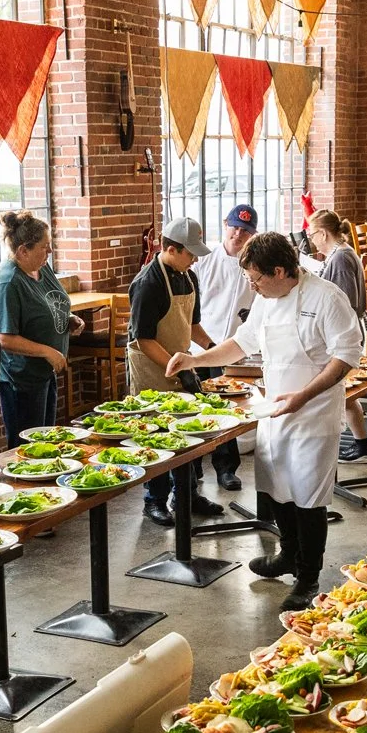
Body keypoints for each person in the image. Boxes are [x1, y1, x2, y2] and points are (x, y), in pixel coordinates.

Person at [164, 232, 365, 609]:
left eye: (257, 279)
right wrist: (193, 359)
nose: (253, 287)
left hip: (314, 414)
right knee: (277, 487)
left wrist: (303, 396)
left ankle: (308, 577)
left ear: (279, 270)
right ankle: (287, 554)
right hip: (275, 409)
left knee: (308, 497)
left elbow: (346, 357)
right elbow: (241, 343)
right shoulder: (265, 300)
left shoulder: (327, 297)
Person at [129, 218, 224, 527]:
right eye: (190, 253)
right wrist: (178, 368)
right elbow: (144, 339)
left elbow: (191, 325)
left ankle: (187, 495)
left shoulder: (188, 276)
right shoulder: (149, 283)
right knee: (157, 436)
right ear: (170, 249)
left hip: (179, 362)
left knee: (191, 431)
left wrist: (212, 348)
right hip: (151, 367)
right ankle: (153, 500)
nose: (194, 259)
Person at [0, 211, 81, 438]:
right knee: (28, 445)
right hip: (21, 380)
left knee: (46, 438)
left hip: (44, 373)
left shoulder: (41, 267)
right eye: (44, 246)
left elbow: (48, 301)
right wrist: (48, 352)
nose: (49, 252)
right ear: (23, 250)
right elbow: (4, 338)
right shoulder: (8, 282)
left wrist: (66, 318)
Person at [195, 205, 258, 491]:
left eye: (245, 230)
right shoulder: (203, 260)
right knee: (195, 410)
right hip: (199, 346)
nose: (238, 233)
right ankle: (193, 472)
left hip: (235, 348)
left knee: (228, 409)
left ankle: (226, 469)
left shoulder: (253, 264)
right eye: (234, 227)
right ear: (225, 224)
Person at [311, 210, 367, 465]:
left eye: (312, 234)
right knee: (345, 393)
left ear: (323, 233)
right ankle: (363, 445)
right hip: (346, 331)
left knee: (339, 391)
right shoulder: (342, 253)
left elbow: (343, 301)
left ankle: (360, 446)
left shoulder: (340, 258)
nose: (311, 239)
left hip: (341, 335)